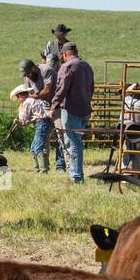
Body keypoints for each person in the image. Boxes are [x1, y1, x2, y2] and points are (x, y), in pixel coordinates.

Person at [49, 42, 94, 183]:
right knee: (77, 142)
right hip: (84, 110)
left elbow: (62, 89)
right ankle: (77, 173)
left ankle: (76, 176)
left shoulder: (67, 66)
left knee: (72, 142)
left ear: (64, 54)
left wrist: (53, 106)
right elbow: (91, 88)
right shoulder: (87, 66)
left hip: (71, 110)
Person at [19, 58, 54, 172]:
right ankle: (41, 167)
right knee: (37, 145)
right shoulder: (28, 78)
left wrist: (30, 98)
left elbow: (47, 90)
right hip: (42, 113)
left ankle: (49, 168)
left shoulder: (46, 70)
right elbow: (30, 93)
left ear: (33, 68)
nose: (28, 76)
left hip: (56, 106)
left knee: (60, 139)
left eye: (28, 73)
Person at [39, 51, 66, 172]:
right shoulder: (52, 73)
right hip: (52, 108)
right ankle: (52, 165)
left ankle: (50, 165)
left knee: (52, 136)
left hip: (54, 107)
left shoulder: (47, 72)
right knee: (58, 136)